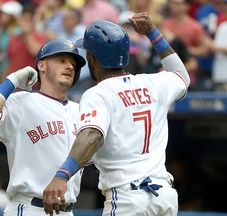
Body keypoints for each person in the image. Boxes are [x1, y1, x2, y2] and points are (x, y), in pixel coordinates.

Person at [43, 13, 190, 216]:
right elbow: (182, 77)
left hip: (128, 198)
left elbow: (92, 135)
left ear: (91, 57)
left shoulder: (98, 93)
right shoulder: (154, 83)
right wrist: (153, 34)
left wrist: (62, 175)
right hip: (164, 197)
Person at [0, 38, 86, 215]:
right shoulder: (22, 101)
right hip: (29, 207)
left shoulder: (81, 110)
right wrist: (13, 80)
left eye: (73, 64)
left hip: (67, 210)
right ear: (42, 65)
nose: (70, 66)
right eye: (62, 60)